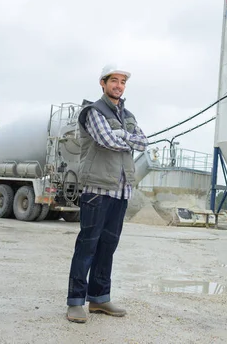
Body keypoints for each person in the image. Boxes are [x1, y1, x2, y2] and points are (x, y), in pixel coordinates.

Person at [66, 63, 148, 323]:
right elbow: (106, 140)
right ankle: (75, 302)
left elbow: (144, 141)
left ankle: (100, 299)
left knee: (107, 247)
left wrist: (122, 133)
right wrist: (126, 136)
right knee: (87, 246)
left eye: (123, 82)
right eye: (114, 80)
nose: (118, 86)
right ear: (103, 83)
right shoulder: (93, 111)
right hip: (97, 190)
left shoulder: (129, 115)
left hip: (121, 191)